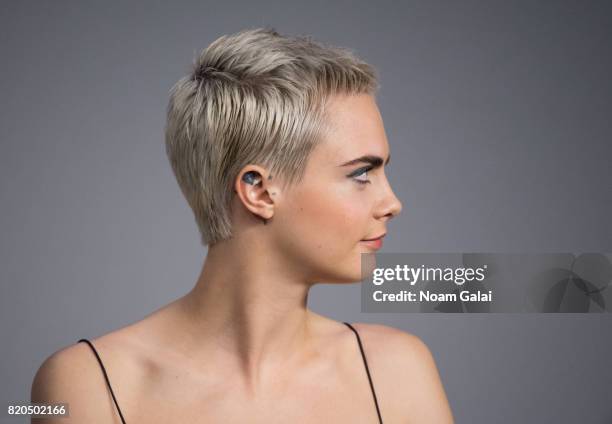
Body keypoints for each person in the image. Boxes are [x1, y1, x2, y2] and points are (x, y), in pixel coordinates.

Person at [31, 27, 454, 423]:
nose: (393, 203)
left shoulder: (396, 372)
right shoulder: (85, 384)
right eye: (361, 173)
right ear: (258, 190)